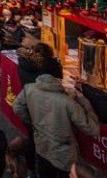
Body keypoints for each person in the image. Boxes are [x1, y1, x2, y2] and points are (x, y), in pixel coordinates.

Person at [13, 74, 100, 177]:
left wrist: (32, 122)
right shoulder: (68, 102)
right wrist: (84, 102)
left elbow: (17, 107)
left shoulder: (29, 89)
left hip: (42, 145)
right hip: (64, 152)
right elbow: (93, 129)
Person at [16, 40, 63, 172]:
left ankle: (31, 167)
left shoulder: (23, 63)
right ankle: (45, 168)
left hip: (29, 104)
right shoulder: (50, 64)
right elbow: (59, 80)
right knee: (47, 140)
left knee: (32, 137)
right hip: (45, 108)